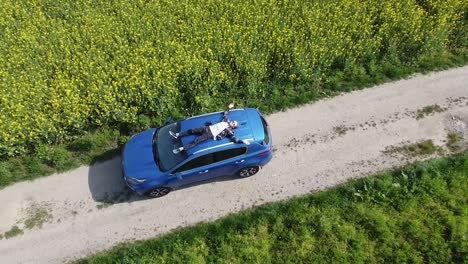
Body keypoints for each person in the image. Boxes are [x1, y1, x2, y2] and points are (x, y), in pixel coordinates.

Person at [170, 103, 250, 154]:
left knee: (196, 141)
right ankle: (177, 135)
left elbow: (234, 139)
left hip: (209, 134)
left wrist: (243, 141)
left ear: (233, 127)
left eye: (234, 123)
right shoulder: (226, 120)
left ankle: (181, 148)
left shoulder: (229, 131)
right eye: (233, 121)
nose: (232, 122)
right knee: (192, 130)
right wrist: (229, 107)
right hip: (207, 128)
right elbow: (225, 113)